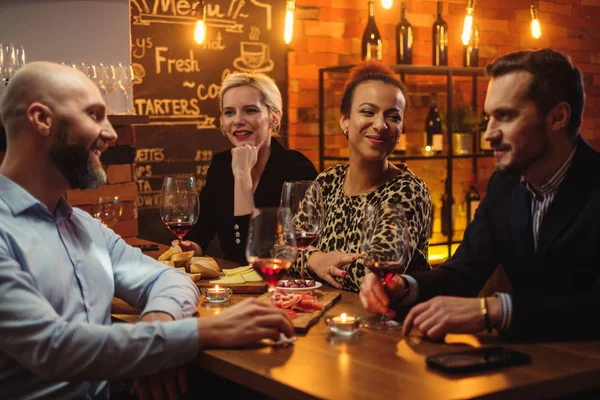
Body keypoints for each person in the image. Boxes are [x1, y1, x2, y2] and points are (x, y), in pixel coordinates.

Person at [0, 61, 294, 399]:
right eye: (95, 115)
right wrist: (202, 332)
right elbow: (54, 348)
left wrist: (158, 334)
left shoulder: (86, 228)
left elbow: (170, 279)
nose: (111, 134)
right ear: (41, 120)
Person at [360, 48, 600, 341]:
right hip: (526, 370)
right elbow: (462, 273)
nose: (488, 134)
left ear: (558, 117)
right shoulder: (506, 184)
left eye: (506, 116)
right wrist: (404, 287)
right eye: (489, 117)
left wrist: (494, 310)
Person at [288, 60, 433, 292]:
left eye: (393, 117)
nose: (381, 125)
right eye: (368, 112)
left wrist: (309, 259)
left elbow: (375, 276)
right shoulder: (327, 181)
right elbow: (281, 250)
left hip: (388, 322)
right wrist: (316, 260)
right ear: (345, 120)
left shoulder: (407, 189)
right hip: (328, 317)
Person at [180, 71, 318, 264]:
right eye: (229, 112)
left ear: (274, 117)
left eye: (250, 110)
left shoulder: (297, 169)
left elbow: (256, 255)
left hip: (282, 285)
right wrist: (189, 247)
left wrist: (242, 177)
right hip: (234, 287)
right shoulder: (221, 165)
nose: (237, 121)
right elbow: (200, 232)